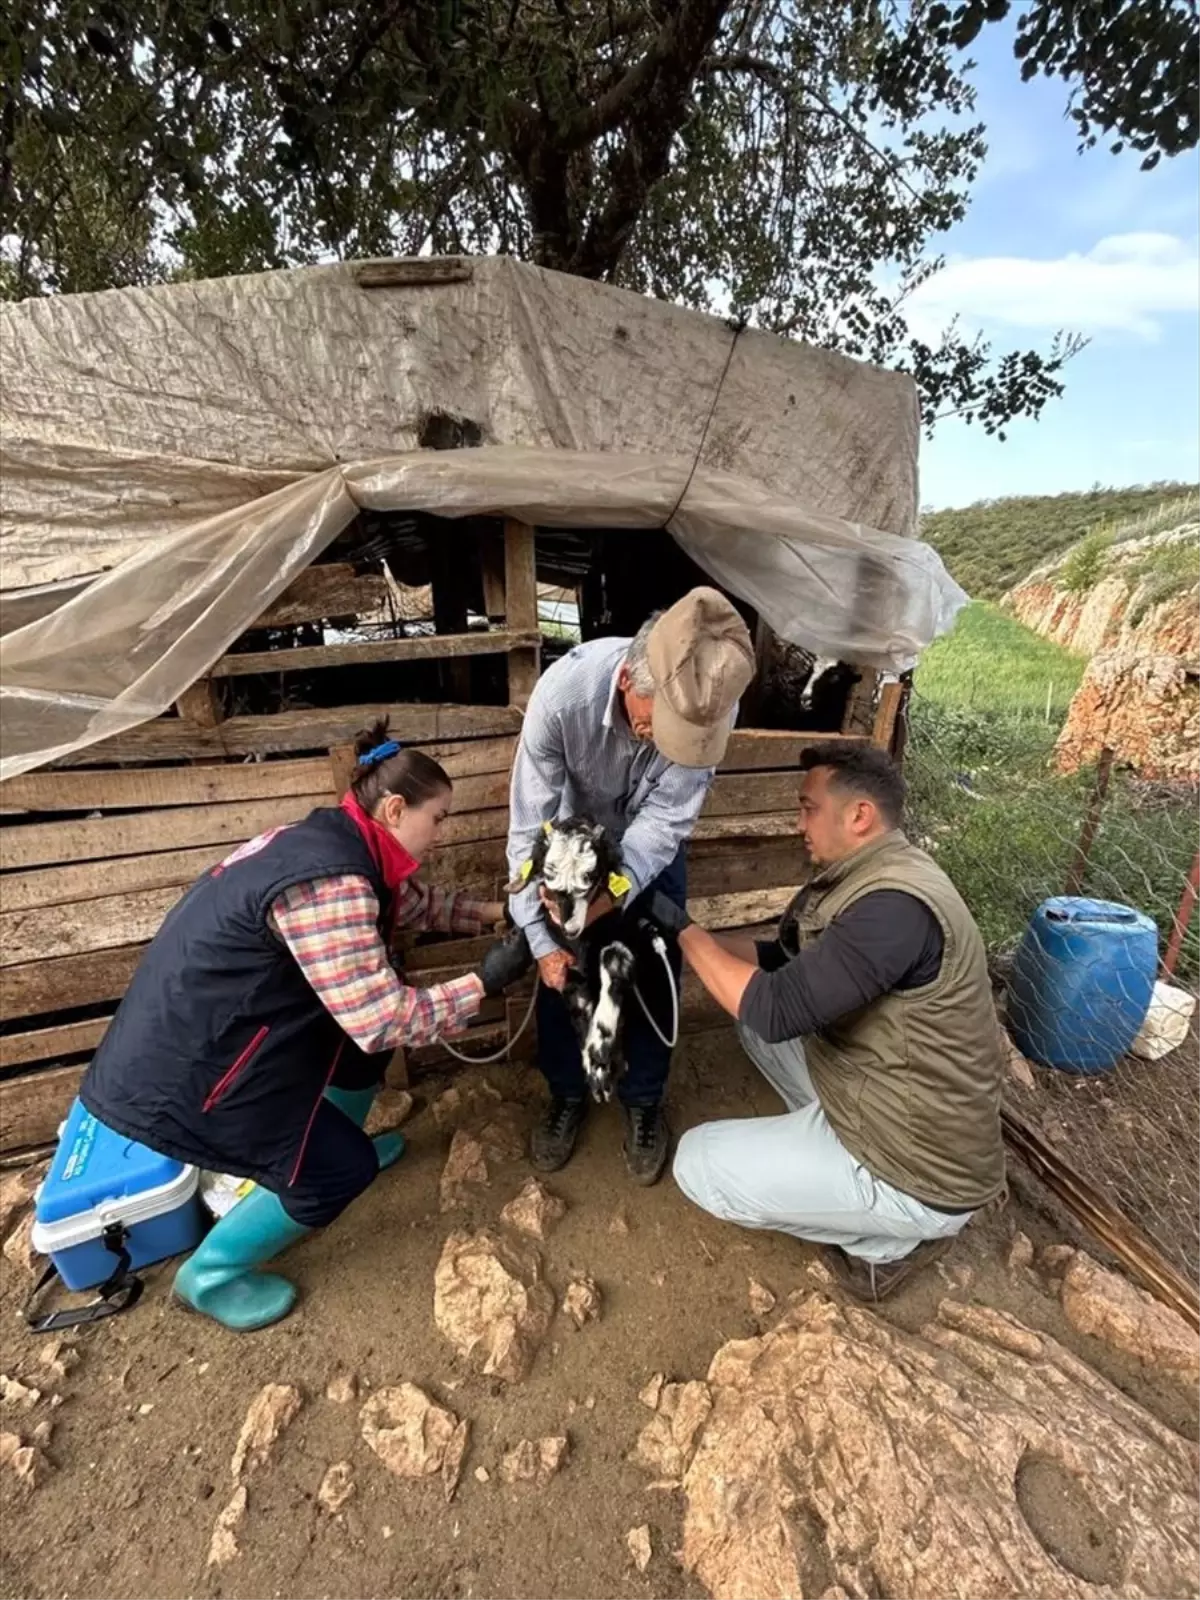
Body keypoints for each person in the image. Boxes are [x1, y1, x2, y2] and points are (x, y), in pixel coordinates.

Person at [79, 722, 532, 1332]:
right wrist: (484, 982)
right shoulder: (334, 880)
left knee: (356, 1057)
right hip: (198, 1075)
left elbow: (406, 904)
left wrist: (492, 912)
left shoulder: (339, 838)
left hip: (227, 1034)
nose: (443, 831)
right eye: (440, 817)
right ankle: (209, 1275)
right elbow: (383, 1019)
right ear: (397, 809)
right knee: (340, 1173)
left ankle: (324, 1138)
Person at [651, 741, 1005, 1299]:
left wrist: (681, 930)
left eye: (808, 807)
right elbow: (782, 965)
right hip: (887, 1097)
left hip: (918, 1169)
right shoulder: (874, 876)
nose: (798, 823)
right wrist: (699, 940)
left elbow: (774, 1009)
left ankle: (886, 1243)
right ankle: (829, 1157)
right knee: (750, 1018)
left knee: (698, 1163)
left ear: (859, 815)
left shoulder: (894, 908)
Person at [506, 587, 754, 1184]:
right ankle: (567, 1092)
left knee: (653, 963)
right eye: (659, 726)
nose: (673, 746)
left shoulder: (712, 701)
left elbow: (664, 823)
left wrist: (615, 897)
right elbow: (525, 830)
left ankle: (643, 1102)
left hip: (648, 845)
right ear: (627, 681)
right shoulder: (563, 698)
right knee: (562, 967)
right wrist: (546, 936)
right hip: (568, 846)